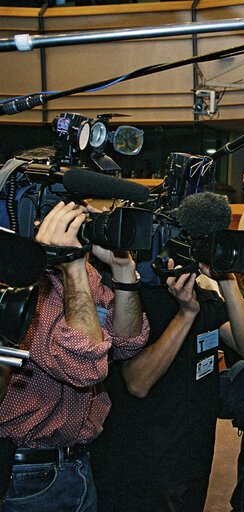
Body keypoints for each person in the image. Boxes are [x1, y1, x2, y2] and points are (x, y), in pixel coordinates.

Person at [90, 193, 244, 512]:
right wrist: (186, 314)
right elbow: (137, 383)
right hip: (143, 462)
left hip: (193, 455)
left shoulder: (206, 298)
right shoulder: (135, 302)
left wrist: (227, 278)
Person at [0, 201, 149, 511]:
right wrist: (73, 266)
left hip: (78, 463)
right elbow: (85, 368)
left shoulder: (84, 273)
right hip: (25, 473)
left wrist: (123, 269)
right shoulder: (17, 277)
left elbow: (126, 343)